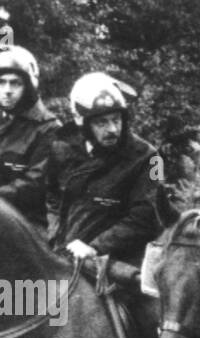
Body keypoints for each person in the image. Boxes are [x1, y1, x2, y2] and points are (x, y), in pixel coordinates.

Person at [44, 71, 161, 270]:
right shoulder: (62, 148)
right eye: (101, 122)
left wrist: (96, 247)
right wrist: (55, 232)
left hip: (120, 261)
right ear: (83, 123)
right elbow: (51, 195)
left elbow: (146, 217)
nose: (112, 129)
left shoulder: (147, 157)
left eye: (116, 119)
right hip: (65, 253)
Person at [0, 44, 59, 229]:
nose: (7, 90)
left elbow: (34, 184)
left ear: (28, 87)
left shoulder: (47, 128)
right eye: (1, 82)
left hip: (26, 222)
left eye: (15, 83)